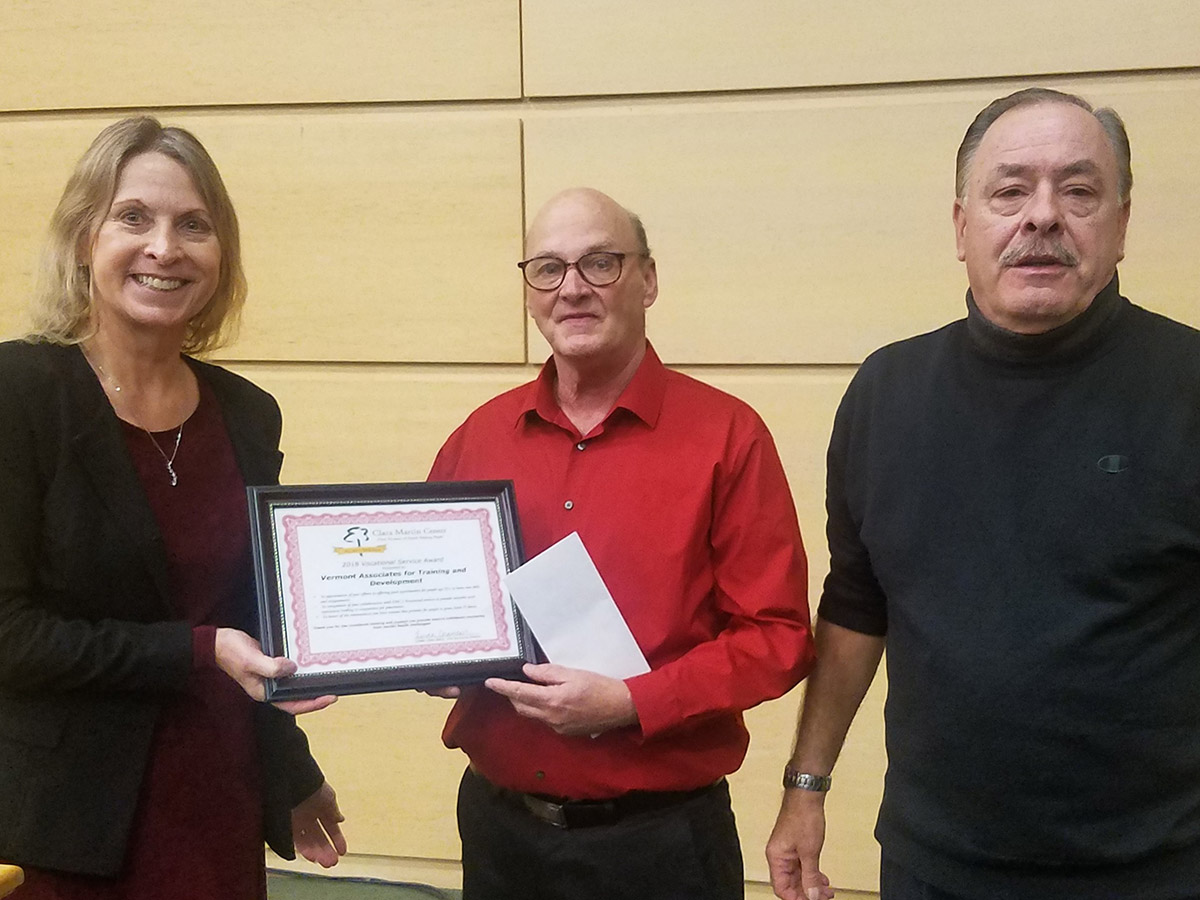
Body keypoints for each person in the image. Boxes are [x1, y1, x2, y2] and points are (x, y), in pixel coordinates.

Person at [765, 87, 1200, 900]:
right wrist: (806, 784)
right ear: (962, 226)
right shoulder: (885, 394)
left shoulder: (1188, 387)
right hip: (935, 866)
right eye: (1010, 190)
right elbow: (858, 605)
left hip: (1157, 871)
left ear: (1121, 224)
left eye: (1078, 191)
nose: (1042, 217)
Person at [427, 187, 814, 899]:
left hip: (659, 847)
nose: (571, 288)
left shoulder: (728, 437)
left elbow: (777, 638)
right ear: (528, 292)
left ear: (648, 279)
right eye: (547, 269)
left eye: (599, 263)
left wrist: (634, 702)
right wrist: (431, 654)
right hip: (499, 833)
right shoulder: (477, 438)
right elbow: (437, 601)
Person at [0, 116, 347, 898]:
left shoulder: (248, 414)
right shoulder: (18, 394)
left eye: (194, 225)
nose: (165, 247)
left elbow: (250, 620)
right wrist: (195, 652)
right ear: (85, 236)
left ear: (220, 256)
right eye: (135, 218)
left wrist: (289, 770)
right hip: (63, 831)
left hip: (215, 806)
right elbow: (10, 635)